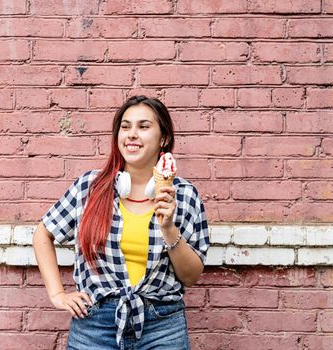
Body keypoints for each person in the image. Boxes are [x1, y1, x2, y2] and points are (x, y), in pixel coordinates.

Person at [33, 95, 209, 349]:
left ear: (164, 138)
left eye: (143, 126)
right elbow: (42, 234)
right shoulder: (90, 187)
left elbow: (191, 276)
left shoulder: (184, 195)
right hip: (94, 324)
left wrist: (168, 228)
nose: (132, 134)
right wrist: (58, 294)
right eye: (125, 127)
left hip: (163, 326)